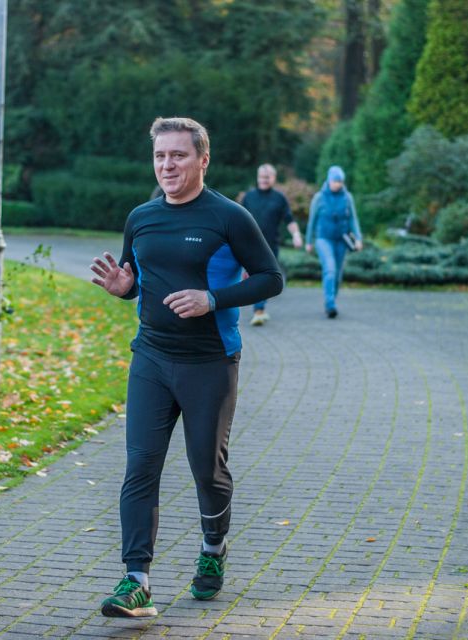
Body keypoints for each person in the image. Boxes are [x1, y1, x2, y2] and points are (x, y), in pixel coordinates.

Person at [90, 117, 283, 618]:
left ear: (203, 159)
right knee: (140, 467)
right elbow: (138, 277)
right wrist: (122, 288)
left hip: (210, 364)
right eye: (160, 156)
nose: (167, 165)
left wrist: (212, 298)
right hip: (151, 357)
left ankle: (214, 549)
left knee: (207, 469)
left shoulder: (229, 217)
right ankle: (136, 581)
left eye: (178, 155)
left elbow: (271, 278)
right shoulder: (141, 217)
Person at [239, 163, 303, 326]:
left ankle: (259, 309)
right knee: (254, 277)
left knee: (264, 277)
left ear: (273, 178)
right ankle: (259, 309)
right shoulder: (249, 197)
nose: (264, 180)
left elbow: (289, 219)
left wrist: (296, 235)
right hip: (250, 244)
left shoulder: (279, 198)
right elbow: (238, 220)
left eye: (267, 177)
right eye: (261, 177)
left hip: (270, 245)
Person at [305, 166, 363, 318]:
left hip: (342, 240)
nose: (338, 184)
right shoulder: (319, 197)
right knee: (330, 269)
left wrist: (358, 238)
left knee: (337, 275)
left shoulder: (347, 197)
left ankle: (332, 300)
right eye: (336, 181)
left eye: (341, 181)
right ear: (329, 180)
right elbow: (312, 220)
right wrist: (308, 241)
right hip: (323, 238)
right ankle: (330, 303)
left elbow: (353, 219)